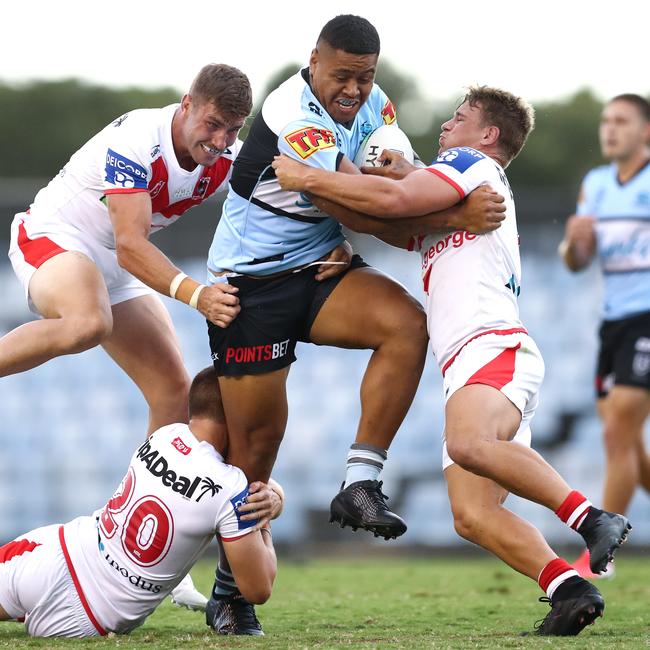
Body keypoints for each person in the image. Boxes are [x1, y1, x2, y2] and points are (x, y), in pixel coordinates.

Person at [272, 86, 632, 636]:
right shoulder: (458, 187)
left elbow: (395, 204)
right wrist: (361, 213)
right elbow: (391, 220)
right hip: (477, 360)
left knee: (468, 444)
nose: (445, 125)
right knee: (472, 514)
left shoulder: (469, 163)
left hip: (491, 347)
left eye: (459, 117)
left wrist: (307, 177)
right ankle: (568, 588)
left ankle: (593, 518)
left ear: (488, 135)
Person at [203, 14, 506, 633]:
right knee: (257, 447)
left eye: (364, 77)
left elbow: (404, 187)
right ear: (313, 61)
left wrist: (406, 194)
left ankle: (360, 481)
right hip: (250, 287)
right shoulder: (294, 112)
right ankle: (228, 589)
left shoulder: (376, 102)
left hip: (319, 267)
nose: (354, 91)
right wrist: (455, 216)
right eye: (342, 76)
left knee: (405, 325)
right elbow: (374, 212)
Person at [3, 63, 254, 610]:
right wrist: (195, 294)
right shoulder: (137, 138)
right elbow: (132, 244)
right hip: (55, 236)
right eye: (213, 124)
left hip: (111, 264)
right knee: (87, 323)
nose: (221, 141)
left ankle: (151, 555)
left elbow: (275, 204)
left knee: (173, 394)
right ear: (186, 105)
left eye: (233, 130)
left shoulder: (228, 159)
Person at [0, 367, 282, 638]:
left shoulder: (164, 435)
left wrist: (272, 496)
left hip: (54, 549)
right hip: (89, 611)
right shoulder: (228, 487)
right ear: (235, 415)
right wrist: (263, 515)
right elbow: (258, 589)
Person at [559, 93, 650, 578]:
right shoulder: (595, 184)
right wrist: (576, 242)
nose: (609, 129)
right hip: (612, 323)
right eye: (605, 121)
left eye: (621, 121)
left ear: (645, 132)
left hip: (647, 319)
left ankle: (601, 556)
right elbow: (574, 263)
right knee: (628, 445)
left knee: (618, 432)